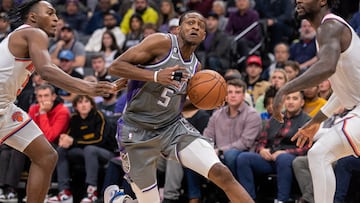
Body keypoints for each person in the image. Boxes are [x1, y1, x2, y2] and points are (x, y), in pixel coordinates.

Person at [104, 11, 254, 203]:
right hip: (136, 131)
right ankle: (120, 200)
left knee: (222, 173)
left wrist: (206, 103)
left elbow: (180, 107)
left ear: (204, 36)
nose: (195, 27)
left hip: (171, 127)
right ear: (178, 29)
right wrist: (157, 76)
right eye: (190, 22)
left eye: (201, 25)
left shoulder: (196, 68)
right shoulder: (160, 42)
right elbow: (115, 67)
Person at [0, 1, 119, 202]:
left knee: (47, 157)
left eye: (57, 14)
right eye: (50, 13)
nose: (56, 19)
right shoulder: (33, 33)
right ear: (33, 17)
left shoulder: (25, 36)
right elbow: (46, 71)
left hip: (6, 107)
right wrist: (87, 86)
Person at [272, 0, 360, 203]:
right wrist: (315, 121)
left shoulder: (330, 27)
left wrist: (284, 89)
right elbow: (344, 89)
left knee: (319, 154)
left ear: (322, 1)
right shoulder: (329, 31)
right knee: (320, 154)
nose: (298, 0)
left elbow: (326, 67)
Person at [237, 91, 311, 203]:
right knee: (243, 158)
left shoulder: (308, 121)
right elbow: (261, 141)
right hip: (270, 158)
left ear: (302, 102)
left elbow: (307, 148)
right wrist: (261, 150)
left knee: (283, 158)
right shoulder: (275, 118)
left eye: (295, 99)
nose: (290, 101)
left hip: (290, 159)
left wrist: (286, 152)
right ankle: (248, 199)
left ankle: (282, 200)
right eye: (288, 98)